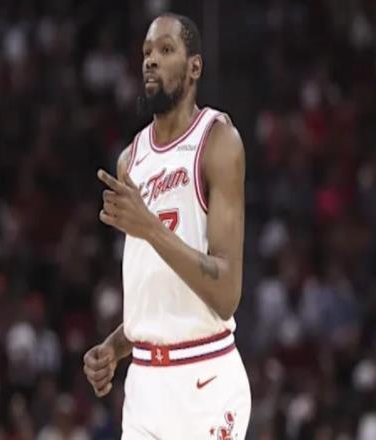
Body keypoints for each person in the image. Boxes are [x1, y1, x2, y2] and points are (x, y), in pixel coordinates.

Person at [83, 12, 251, 439]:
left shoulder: (218, 141)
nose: (150, 60)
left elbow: (227, 294)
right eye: (146, 52)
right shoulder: (130, 159)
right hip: (144, 386)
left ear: (195, 67)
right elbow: (158, 292)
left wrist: (151, 227)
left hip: (205, 379)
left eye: (165, 49)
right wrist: (115, 346)